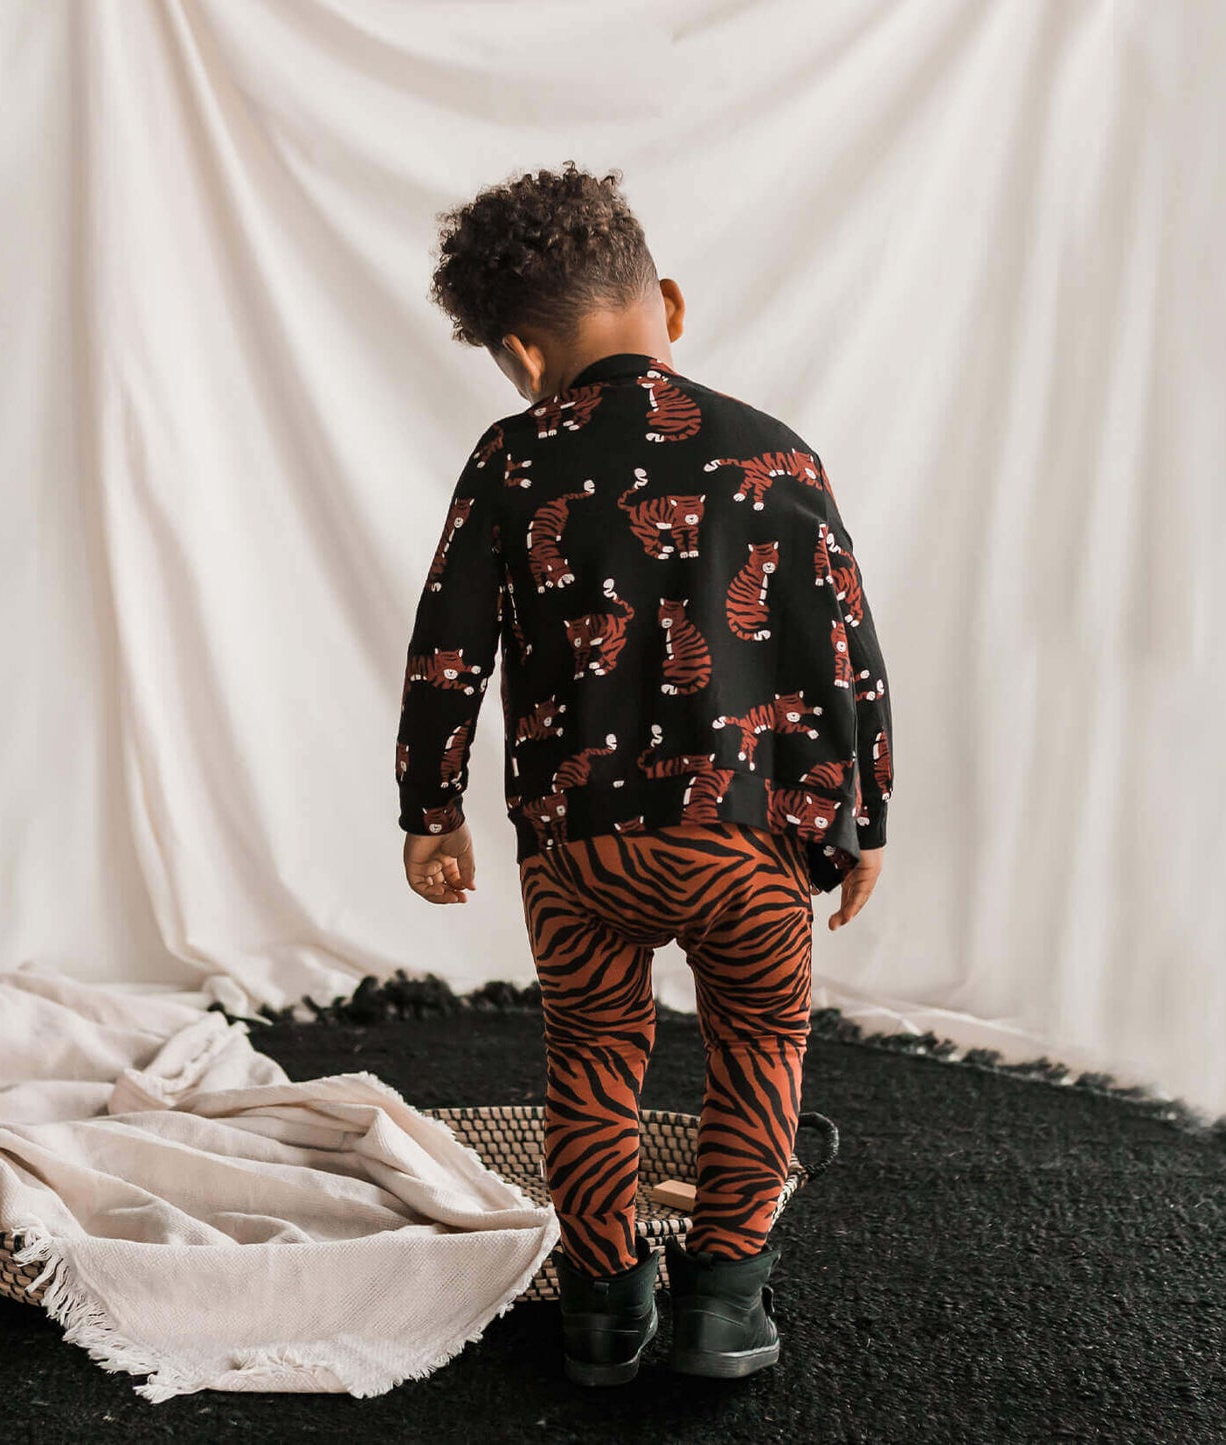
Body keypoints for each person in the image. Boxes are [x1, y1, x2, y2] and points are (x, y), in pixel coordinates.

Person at [394, 161, 894, 1386]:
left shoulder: (510, 460)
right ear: (666, 301)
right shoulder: (777, 455)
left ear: (520, 353)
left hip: (580, 847)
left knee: (589, 1055)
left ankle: (603, 1307)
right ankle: (722, 1303)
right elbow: (843, 650)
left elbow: (448, 646)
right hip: (745, 839)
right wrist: (860, 817)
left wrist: (430, 809)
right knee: (759, 1042)